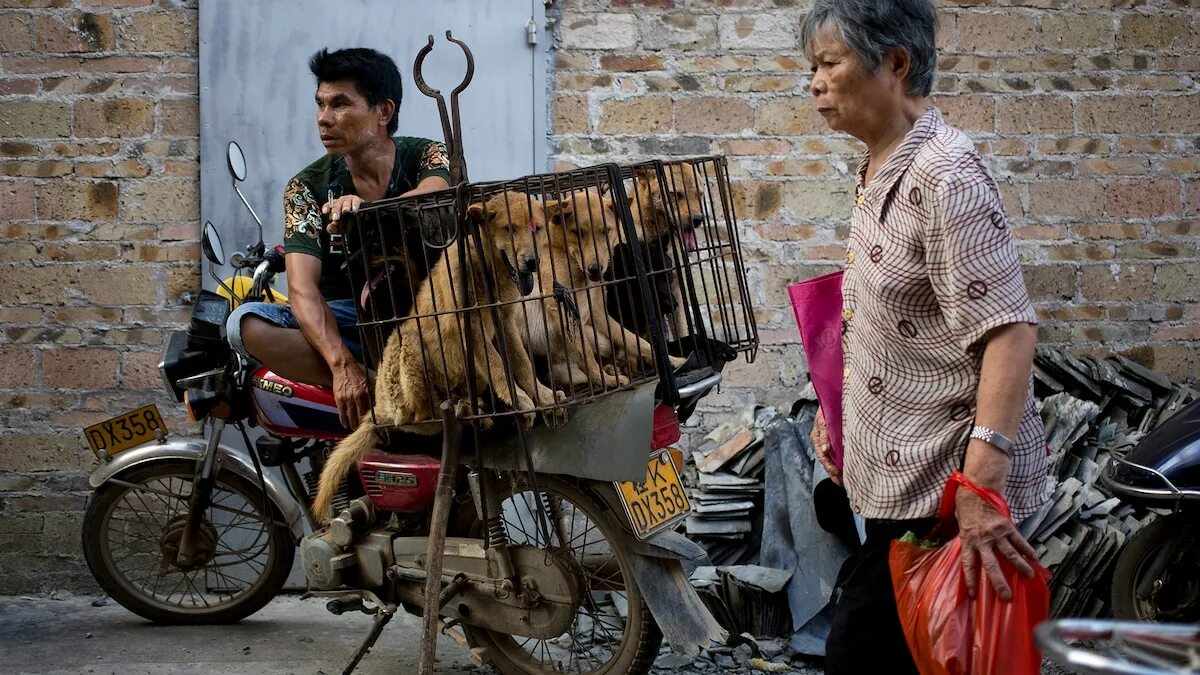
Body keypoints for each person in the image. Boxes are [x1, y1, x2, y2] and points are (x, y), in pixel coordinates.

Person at [799, 1, 1049, 672]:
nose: (814, 83)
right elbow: (895, 321)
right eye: (811, 68)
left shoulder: (946, 176)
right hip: (898, 485)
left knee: (863, 652)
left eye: (828, 63)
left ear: (895, 63)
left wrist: (980, 486)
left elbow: (1010, 330)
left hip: (942, 495)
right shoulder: (883, 165)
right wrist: (841, 416)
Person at [227, 47, 450, 431]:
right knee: (245, 324)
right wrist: (341, 365)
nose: (323, 119)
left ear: (383, 112)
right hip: (350, 324)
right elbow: (301, 289)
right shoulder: (306, 188)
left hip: (425, 310)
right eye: (320, 104)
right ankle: (377, 388)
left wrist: (366, 212)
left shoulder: (426, 154)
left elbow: (434, 192)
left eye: (340, 104)